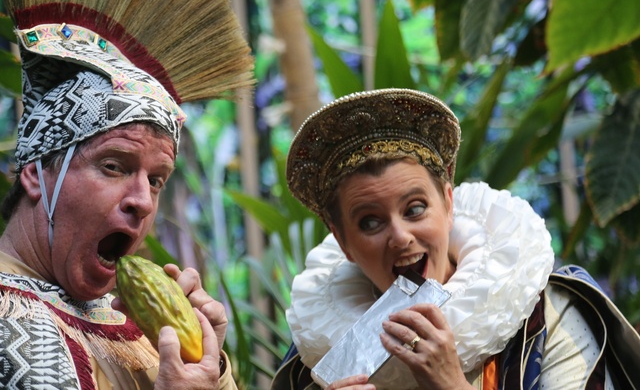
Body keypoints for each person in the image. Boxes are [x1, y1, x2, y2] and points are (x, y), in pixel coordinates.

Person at [0, 0, 253, 389]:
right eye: (113, 166)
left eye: (155, 179)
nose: (143, 201)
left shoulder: (136, 331)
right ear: (35, 172)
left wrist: (209, 366)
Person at [271, 89, 640, 389]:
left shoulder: (547, 316)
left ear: (448, 205)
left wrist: (451, 384)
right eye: (370, 222)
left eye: (415, 209)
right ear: (343, 242)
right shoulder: (323, 356)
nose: (400, 237)